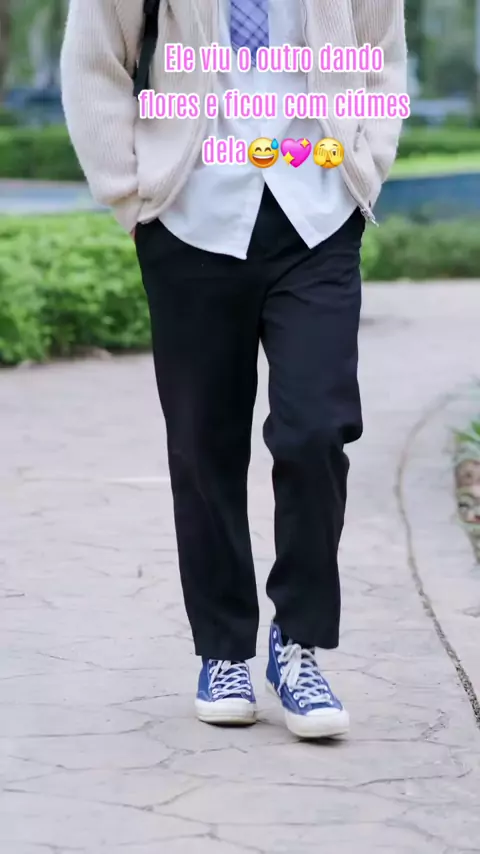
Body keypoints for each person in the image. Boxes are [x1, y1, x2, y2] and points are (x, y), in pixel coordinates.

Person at [61, 0, 407, 739]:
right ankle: (223, 651)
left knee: (317, 429)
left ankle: (298, 644)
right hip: (190, 215)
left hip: (318, 210)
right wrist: (130, 194)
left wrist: (368, 163)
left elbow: (379, 51)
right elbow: (94, 63)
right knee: (203, 447)